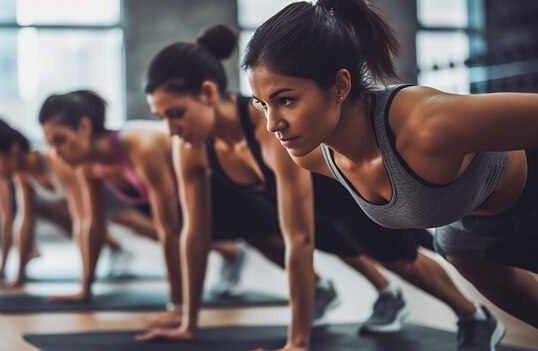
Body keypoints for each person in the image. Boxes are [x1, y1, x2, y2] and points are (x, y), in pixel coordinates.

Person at [136, 25, 488, 351]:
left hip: (348, 194)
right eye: (161, 117)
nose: (170, 129)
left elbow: (299, 243)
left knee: (401, 261)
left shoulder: (267, 128)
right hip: (307, 211)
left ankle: (473, 315)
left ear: (208, 92)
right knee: (344, 249)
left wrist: (297, 344)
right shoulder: (190, 148)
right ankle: (387, 295)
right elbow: (195, 235)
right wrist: (187, 322)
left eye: (176, 113)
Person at [244, 0, 538, 345]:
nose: (272, 124)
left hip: (528, 200)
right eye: (262, 104)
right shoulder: (312, 156)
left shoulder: (426, 125)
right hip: (474, 230)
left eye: (286, 100)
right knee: (458, 249)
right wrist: (297, 343)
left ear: (340, 86)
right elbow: (299, 241)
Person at [38, 91, 248, 306]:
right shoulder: (87, 165)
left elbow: (170, 231)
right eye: (50, 145)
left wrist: (176, 306)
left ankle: (232, 254)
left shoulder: (140, 146)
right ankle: (231, 252)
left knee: (269, 243)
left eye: (60, 141)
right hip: (182, 200)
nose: (56, 153)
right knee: (153, 226)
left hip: (226, 187)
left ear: (84, 127)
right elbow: (93, 225)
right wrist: (84, 289)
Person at [0, 117, 130, 288]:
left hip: (113, 191)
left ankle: (123, 249)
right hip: (92, 202)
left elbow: (83, 221)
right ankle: (118, 248)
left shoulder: (56, 162)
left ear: (14, 149)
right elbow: (25, 221)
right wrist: (18, 277)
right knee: (52, 212)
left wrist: (85, 287)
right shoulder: (22, 175)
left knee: (143, 226)